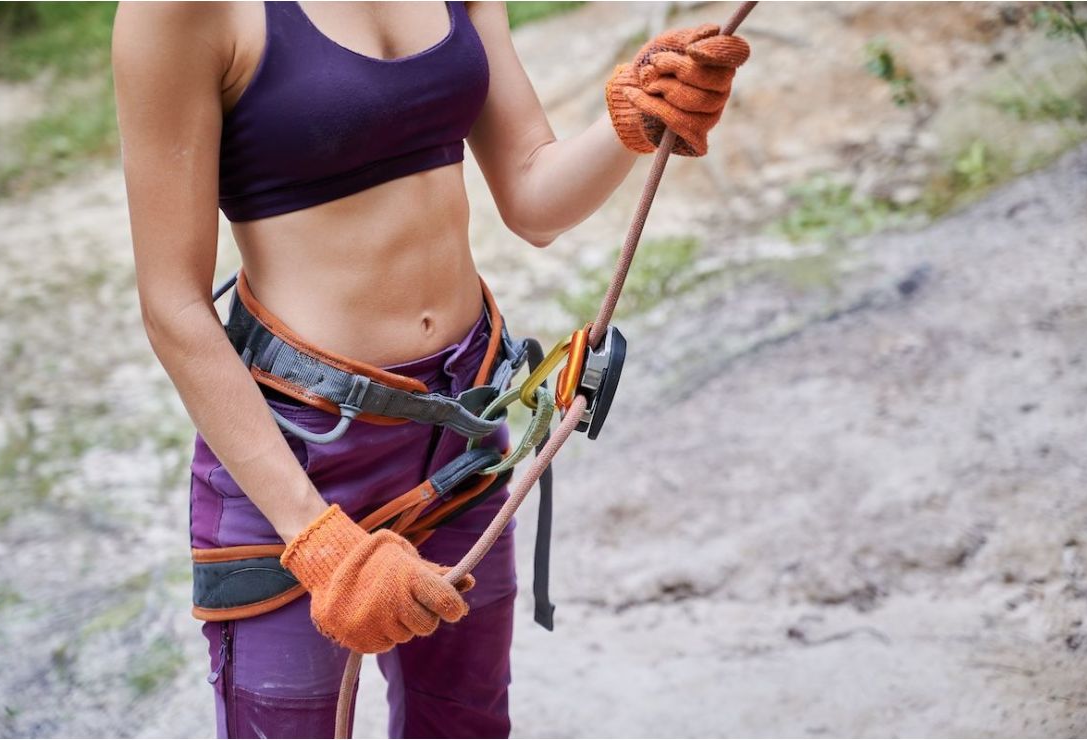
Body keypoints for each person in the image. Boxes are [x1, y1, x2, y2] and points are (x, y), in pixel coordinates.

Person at [111, 2, 749, 737]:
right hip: (298, 457)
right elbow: (172, 306)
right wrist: (317, 540)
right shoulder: (183, 11)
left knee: (465, 727)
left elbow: (534, 199)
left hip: (459, 428)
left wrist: (639, 114)